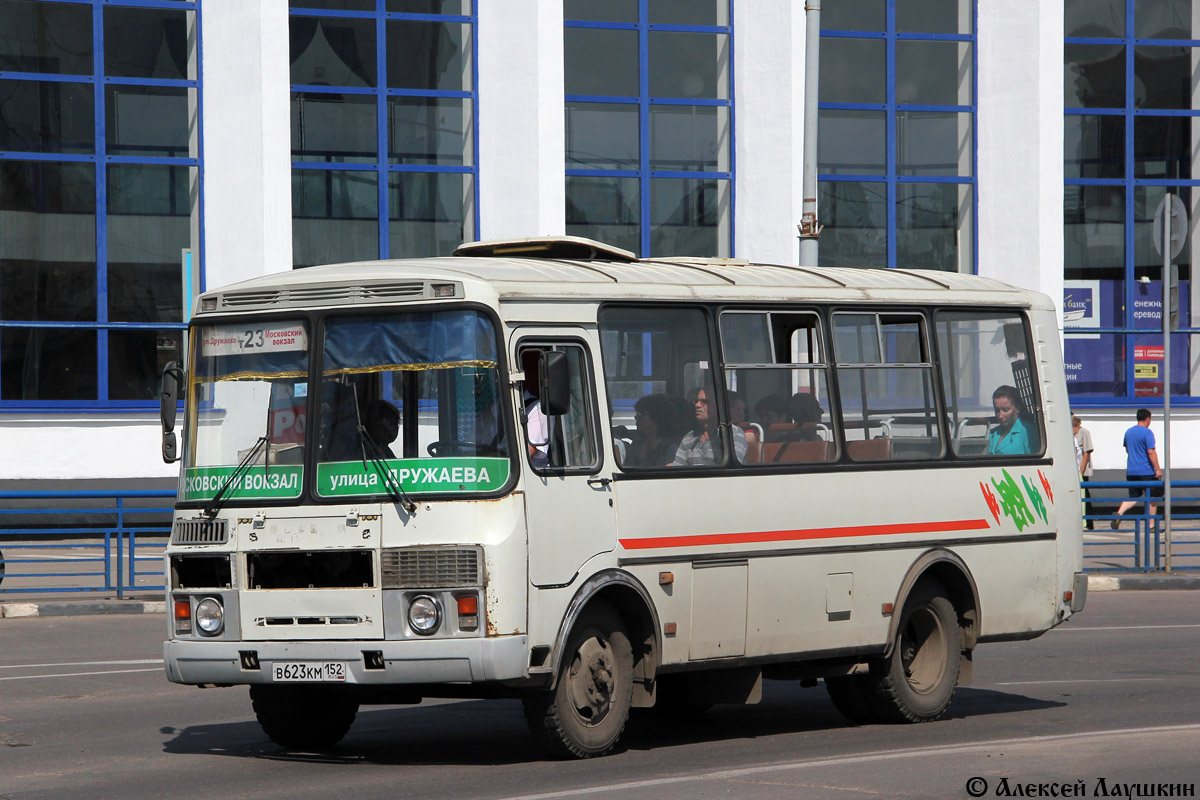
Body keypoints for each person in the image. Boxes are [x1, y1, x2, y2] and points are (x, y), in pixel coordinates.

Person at [1112, 408, 1162, 529]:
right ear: (1147, 419)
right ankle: (1151, 526)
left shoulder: (1128, 432)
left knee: (1133, 496)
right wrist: (1158, 469)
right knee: (1153, 497)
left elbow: (1127, 449)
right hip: (1146, 471)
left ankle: (1119, 513)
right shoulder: (1147, 432)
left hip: (1132, 471)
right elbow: (1151, 452)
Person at [672, 387, 747, 466]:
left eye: (704, 402)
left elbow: (731, 469)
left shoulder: (733, 435)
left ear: (718, 407)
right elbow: (677, 470)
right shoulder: (689, 438)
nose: (697, 405)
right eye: (696, 401)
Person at [626, 393, 679, 467]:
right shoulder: (636, 445)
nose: (636, 417)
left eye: (641, 414)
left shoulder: (670, 448)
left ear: (657, 417)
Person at [987, 385, 1031, 455]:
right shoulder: (991, 434)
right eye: (997, 411)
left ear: (1018, 408)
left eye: (1005, 410)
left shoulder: (1029, 433)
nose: (1000, 416)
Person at [1073, 414, 1095, 530]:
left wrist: (1081, 470)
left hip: (1083, 470)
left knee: (1085, 495)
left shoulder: (1084, 432)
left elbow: (1087, 452)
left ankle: (1089, 523)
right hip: (1075, 470)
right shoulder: (1070, 434)